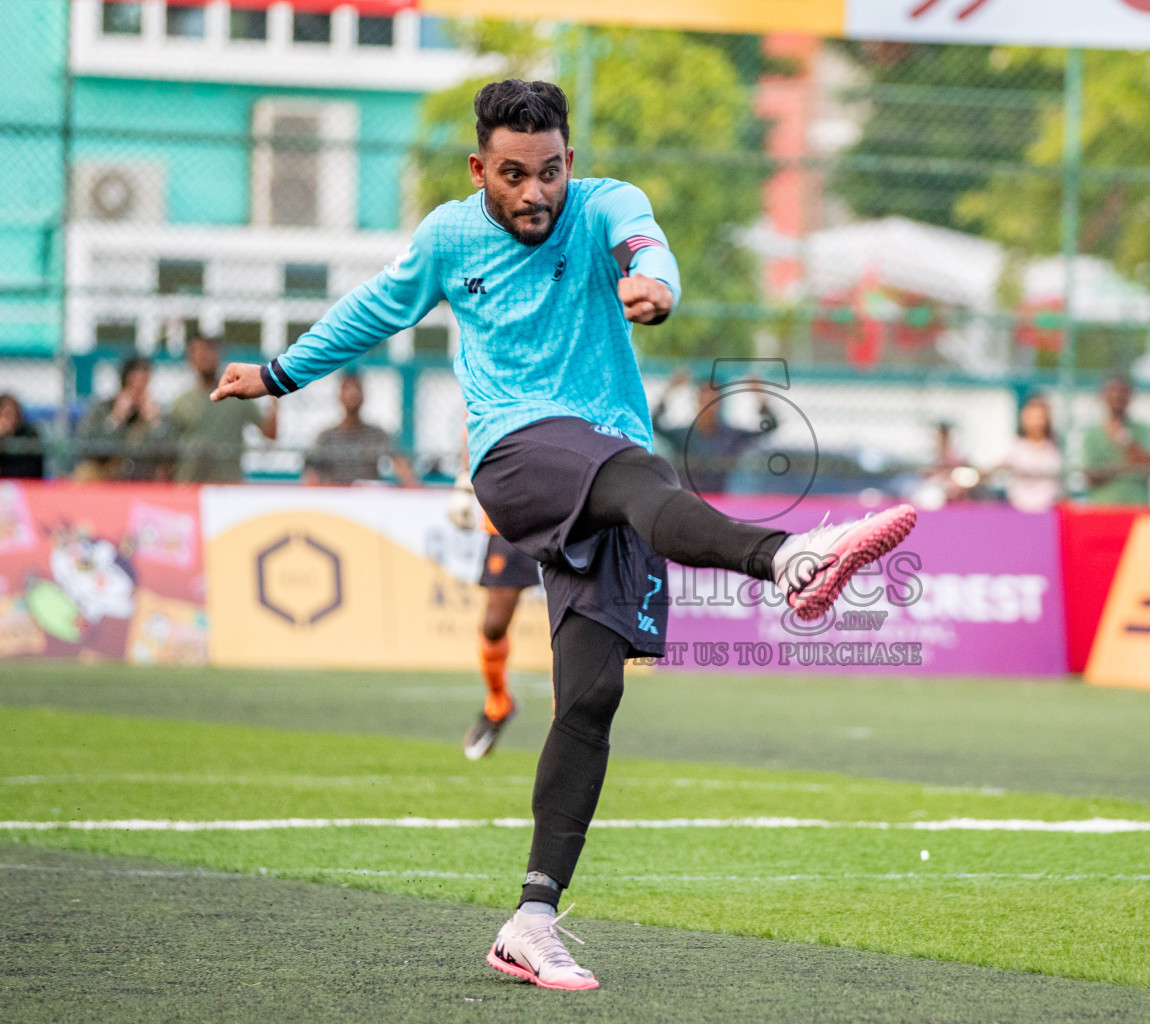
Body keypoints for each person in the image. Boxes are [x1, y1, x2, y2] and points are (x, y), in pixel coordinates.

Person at [208, 79, 915, 990]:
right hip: (516, 453)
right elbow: (373, 312)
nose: (533, 192)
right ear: (480, 170)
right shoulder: (448, 236)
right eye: (512, 174)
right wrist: (275, 374)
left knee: (590, 697)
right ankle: (787, 559)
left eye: (548, 172)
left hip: (613, 468)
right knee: (640, 478)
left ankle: (531, 917)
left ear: (568, 163)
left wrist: (654, 282)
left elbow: (643, 238)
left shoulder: (602, 204)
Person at [447, 439, 540, 761]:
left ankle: (571, 722)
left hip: (563, 507)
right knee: (494, 625)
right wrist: (463, 484)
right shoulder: (487, 389)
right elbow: (473, 425)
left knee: (570, 621)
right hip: (509, 516)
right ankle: (499, 702)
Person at [650, 368, 777, 494]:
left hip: (718, 503)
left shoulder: (731, 436)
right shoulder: (682, 435)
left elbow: (770, 426)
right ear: (697, 400)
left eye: (713, 397)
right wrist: (671, 390)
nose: (709, 401)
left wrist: (759, 394)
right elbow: (654, 424)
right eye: (704, 395)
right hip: (687, 502)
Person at [170, 334, 278, 482]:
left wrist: (274, 394)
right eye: (199, 351)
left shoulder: (237, 395)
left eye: (210, 350)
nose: (205, 356)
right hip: (190, 487)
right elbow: (168, 451)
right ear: (190, 358)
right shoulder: (181, 403)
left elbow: (269, 433)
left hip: (227, 488)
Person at [302, 372, 417, 486]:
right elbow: (311, 475)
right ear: (339, 396)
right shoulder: (326, 437)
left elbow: (402, 466)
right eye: (346, 388)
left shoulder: (377, 435)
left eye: (357, 388)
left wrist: (409, 483)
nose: (352, 393)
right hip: (335, 498)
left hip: (367, 499)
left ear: (363, 395)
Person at [74, 356, 174, 481]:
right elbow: (90, 447)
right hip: (108, 478)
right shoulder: (104, 409)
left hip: (143, 479)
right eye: (134, 381)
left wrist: (155, 422)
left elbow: (169, 452)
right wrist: (116, 418)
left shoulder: (154, 413)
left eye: (144, 381)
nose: (138, 388)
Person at [1081, 374, 1150, 505]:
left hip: (1137, 510)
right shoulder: (1091, 434)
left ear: (1130, 397)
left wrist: (1125, 440)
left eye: (1122, 393)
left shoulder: (1143, 431)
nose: (1117, 397)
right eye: (1112, 392)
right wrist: (1122, 467)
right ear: (1103, 397)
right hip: (1103, 511)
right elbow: (1090, 477)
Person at [992, 395, 1061, 512]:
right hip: (1019, 506)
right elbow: (999, 467)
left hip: (1047, 507)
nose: (1036, 422)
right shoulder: (1015, 446)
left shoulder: (1054, 448)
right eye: (1032, 417)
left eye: (1039, 417)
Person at [0, 394, 45, 479]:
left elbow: (33, 470)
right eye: (3, 415)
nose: (7, 420)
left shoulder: (29, 435)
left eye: (10, 414)